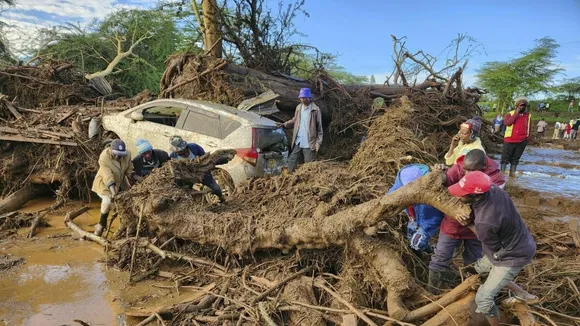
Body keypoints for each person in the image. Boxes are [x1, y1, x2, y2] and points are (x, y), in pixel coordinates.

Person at [448, 171, 537, 326]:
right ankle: (523, 294)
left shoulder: (485, 222)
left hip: (511, 256)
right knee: (479, 269)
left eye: (462, 194)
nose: (458, 197)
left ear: (475, 196)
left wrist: (468, 224)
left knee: (483, 298)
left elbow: (491, 245)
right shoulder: (493, 189)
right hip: (521, 240)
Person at [428, 149, 505, 293]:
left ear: (482, 167)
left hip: (477, 226)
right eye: (465, 170)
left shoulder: (495, 177)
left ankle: (470, 291)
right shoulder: (458, 168)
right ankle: (432, 291)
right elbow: (443, 190)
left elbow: (492, 206)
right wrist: (438, 175)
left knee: (474, 261)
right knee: (440, 257)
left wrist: (470, 214)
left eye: (471, 171)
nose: (466, 174)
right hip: (453, 222)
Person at [388, 164, 444, 254]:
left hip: (426, 222)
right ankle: (421, 250)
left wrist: (425, 229)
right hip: (413, 218)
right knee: (410, 235)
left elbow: (434, 217)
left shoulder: (429, 195)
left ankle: (431, 251)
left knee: (417, 243)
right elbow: (390, 195)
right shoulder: (401, 181)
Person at [92, 139, 142, 236]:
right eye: (116, 154)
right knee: (107, 201)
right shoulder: (104, 157)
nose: (119, 157)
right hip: (104, 184)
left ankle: (127, 223)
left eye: (121, 155)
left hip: (120, 181)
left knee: (130, 199)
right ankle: (101, 224)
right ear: (111, 150)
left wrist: (140, 179)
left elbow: (129, 171)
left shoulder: (127, 154)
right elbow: (108, 177)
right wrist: (114, 194)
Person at [169, 135, 226, 203]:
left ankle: (221, 198)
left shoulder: (194, 147)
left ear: (184, 147)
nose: (178, 152)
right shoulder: (173, 156)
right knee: (188, 194)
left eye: (180, 151)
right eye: (177, 152)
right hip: (188, 177)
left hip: (202, 173)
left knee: (215, 188)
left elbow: (205, 159)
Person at [279, 88, 323, 173]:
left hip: (310, 142)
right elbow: (295, 120)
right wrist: (284, 124)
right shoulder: (299, 107)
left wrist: (318, 143)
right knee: (292, 161)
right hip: (299, 140)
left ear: (309, 98)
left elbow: (319, 129)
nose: (302, 100)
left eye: (304, 98)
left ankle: (309, 183)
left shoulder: (315, 110)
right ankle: (288, 178)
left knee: (309, 166)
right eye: (301, 98)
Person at [501, 97, 532, 177]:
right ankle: (502, 174)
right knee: (505, 158)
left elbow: (529, 127)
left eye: (524, 105)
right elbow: (507, 123)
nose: (523, 107)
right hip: (509, 140)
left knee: (516, 159)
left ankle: (512, 174)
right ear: (517, 106)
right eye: (521, 105)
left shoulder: (528, 116)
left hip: (522, 141)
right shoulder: (510, 114)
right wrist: (516, 113)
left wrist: (528, 138)